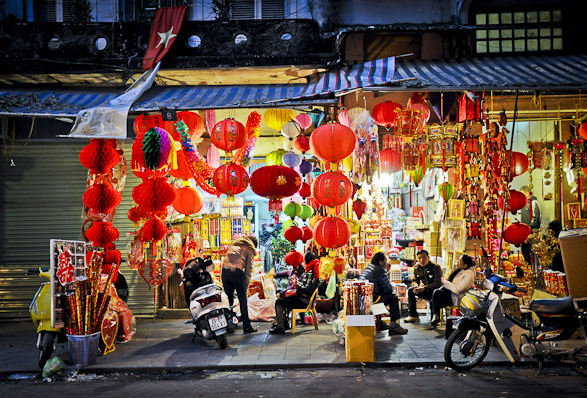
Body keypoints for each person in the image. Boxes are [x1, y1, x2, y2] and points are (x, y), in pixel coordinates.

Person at [269, 252, 321, 334]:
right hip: (304, 299)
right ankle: (283, 323)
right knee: (284, 299)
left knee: (279, 302)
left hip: (304, 301)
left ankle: (280, 326)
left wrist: (296, 282)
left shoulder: (310, 273)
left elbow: (306, 289)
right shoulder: (312, 270)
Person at [358, 252, 408, 336]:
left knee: (381, 295)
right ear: (380, 261)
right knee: (393, 297)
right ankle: (394, 326)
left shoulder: (369, 268)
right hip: (372, 300)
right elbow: (388, 289)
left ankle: (380, 323)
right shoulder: (379, 269)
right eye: (385, 260)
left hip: (364, 299)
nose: (387, 262)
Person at [427, 254, 476, 330]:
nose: (457, 262)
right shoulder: (460, 270)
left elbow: (457, 289)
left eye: (459, 261)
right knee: (433, 299)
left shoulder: (469, 275)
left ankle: (435, 317)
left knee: (436, 295)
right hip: (449, 294)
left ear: (465, 265)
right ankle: (434, 319)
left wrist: (445, 282)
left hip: (456, 298)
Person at [221, 235, 258, 334]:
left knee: (228, 300)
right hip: (236, 272)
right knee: (242, 299)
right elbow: (249, 269)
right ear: (253, 244)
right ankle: (246, 326)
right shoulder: (249, 248)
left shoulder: (235, 245)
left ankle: (228, 324)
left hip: (224, 271)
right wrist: (245, 286)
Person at [404, 249, 442, 324]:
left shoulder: (436, 267)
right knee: (410, 290)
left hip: (433, 291)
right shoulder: (417, 267)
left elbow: (437, 283)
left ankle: (434, 319)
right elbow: (414, 279)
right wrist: (416, 286)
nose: (422, 260)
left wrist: (424, 288)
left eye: (424, 257)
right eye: (419, 258)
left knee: (434, 294)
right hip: (423, 290)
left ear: (428, 257)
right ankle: (413, 315)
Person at [520, 186, 541, 264]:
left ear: (527, 193)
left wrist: (528, 228)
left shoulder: (534, 203)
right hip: (524, 233)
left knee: (533, 252)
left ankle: (536, 271)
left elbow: (536, 220)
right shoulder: (523, 204)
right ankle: (528, 271)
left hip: (532, 232)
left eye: (522, 194)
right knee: (525, 253)